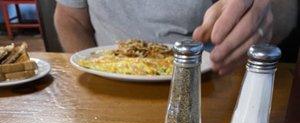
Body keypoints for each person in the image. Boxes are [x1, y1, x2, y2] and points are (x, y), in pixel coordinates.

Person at [54, 0, 298, 74]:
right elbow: (71, 19)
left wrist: (264, 13)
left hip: (210, 83)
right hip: (106, 87)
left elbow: (284, 6)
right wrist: (91, 70)